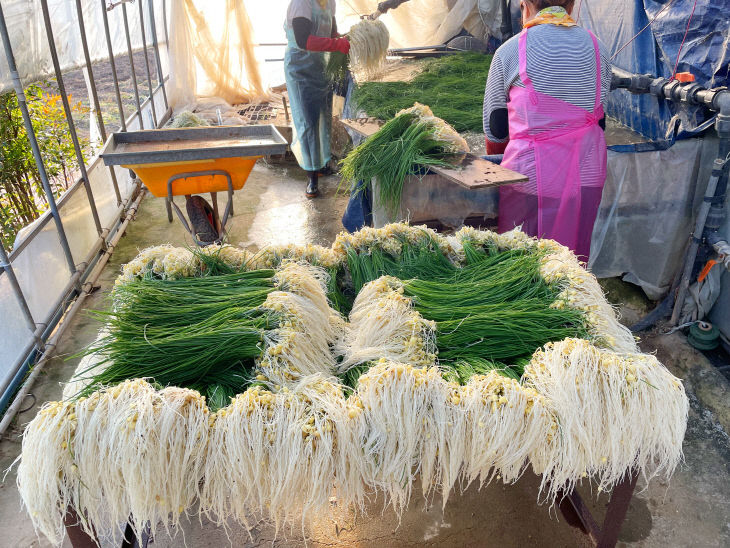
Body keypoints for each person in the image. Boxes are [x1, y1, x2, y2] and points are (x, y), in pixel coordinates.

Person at [483, 0, 612, 260]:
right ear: (573, 4)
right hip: (585, 175)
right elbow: (598, 120)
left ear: (524, 5)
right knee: (570, 262)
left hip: (528, 178)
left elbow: (495, 128)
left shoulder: (509, 51)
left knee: (521, 261)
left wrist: (497, 166)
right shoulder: (600, 49)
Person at [285, 0, 350, 198]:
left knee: (324, 118)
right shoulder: (301, 3)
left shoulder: (329, 2)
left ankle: (322, 164)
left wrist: (343, 39)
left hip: (321, 68)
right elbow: (304, 40)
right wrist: (336, 44)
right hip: (300, 68)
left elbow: (331, 33)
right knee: (308, 122)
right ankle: (311, 177)